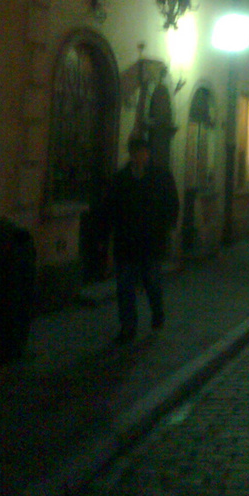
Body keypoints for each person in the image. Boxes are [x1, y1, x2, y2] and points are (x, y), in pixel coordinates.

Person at [100, 135, 179, 345]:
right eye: (135, 152)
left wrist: (165, 228)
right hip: (126, 244)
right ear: (131, 154)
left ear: (148, 153)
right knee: (125, 288)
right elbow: (111, 208)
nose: (139, 156)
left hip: (150, 244)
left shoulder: (161, 177)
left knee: (152, 283)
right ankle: (128, 328)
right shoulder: (121, 179)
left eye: (142, 152)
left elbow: (172, 204)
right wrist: (109, 236)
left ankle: (157, 313)